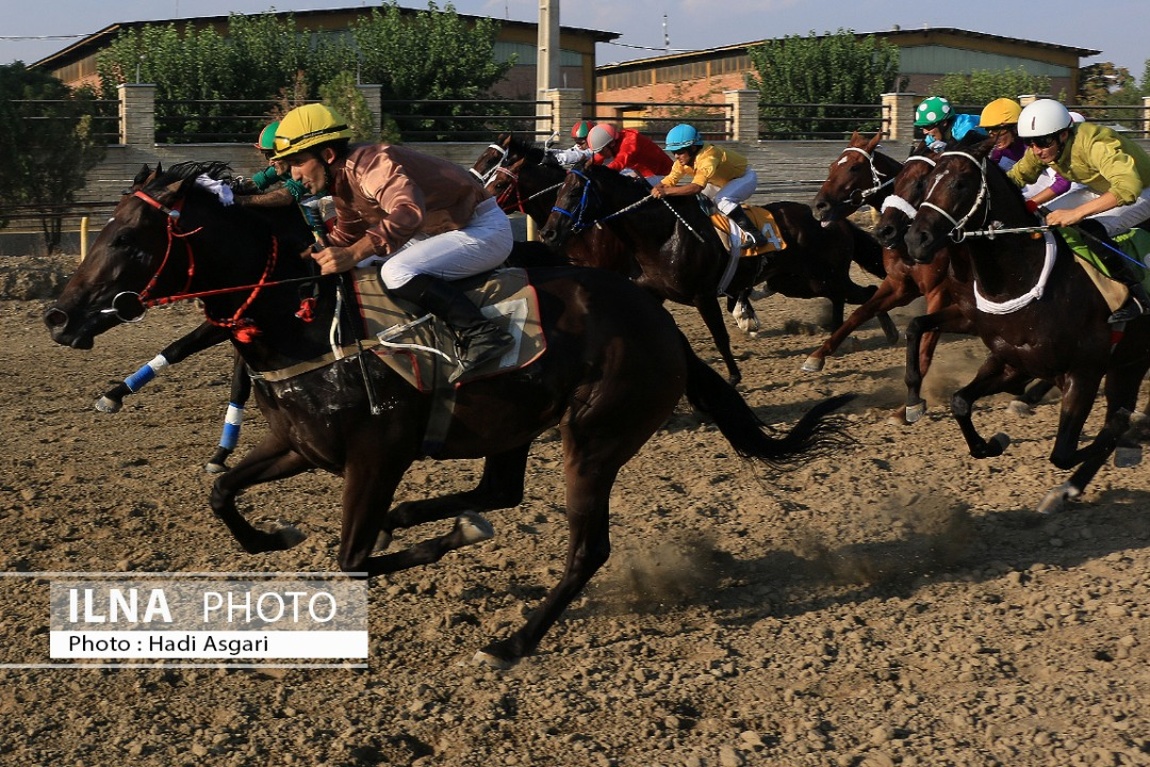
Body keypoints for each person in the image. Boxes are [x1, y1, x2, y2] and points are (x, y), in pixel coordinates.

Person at [272, 103, 515, 382]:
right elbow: (347, 235)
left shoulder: (373, 164)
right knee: (361, 261)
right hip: (438, 233)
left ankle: (483, 333)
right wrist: (305, 256)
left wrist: (351, 253)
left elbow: (408, 211)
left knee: (395, 271)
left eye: (297, 163)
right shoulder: (341, 180)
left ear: (326, 154)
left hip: (481, 229)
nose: (293, 175)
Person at [1007, 98, 1150, 323]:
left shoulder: (1095, 144)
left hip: (1142, 189)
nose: (1036, 151)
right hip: (1100, 188)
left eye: (1043, 142)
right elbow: (1015, 177)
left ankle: (1135, 297)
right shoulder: (1042, 147)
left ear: (1063, 134)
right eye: (1029, 143)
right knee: (1040, 218)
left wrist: (1078, 213)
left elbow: (1128, 188)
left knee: (1091, 227)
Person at [650, 123, 768, 248]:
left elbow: (696, 187)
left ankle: (755, 235)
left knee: (722, 201)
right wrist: (656, 188)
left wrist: (666, 192)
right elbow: (670, 180)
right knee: (696, 200)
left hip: (744, 178)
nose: (676, 156)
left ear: (693, 148)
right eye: (674, 152)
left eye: (679, 152)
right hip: (720, 182)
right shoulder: (682, 161)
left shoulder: (708, 157)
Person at [978, 98, 1080, 206]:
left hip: (1069, 190)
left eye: (998, 130)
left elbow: (1063, 183)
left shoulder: (1038, 146)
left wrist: (1028, 205)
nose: (994, 137)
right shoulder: (999, 151)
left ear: (1015, 128)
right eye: (989, 130)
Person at [583, 123, 673, 184]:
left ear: (611, 144)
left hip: (662, 175)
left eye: (601, 152)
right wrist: (586, 167)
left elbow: (618, 163)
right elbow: (598, 157)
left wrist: (599, 174)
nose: (601, 155)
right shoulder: (613, 141)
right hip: (643, 174)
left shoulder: (630, 142)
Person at [915, 95, 986, 153]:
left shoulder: (964, 130)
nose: (924, 132)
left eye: (928, 126)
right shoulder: (933, 134)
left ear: (944, 123)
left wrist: (946, 147)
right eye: (923, 127)